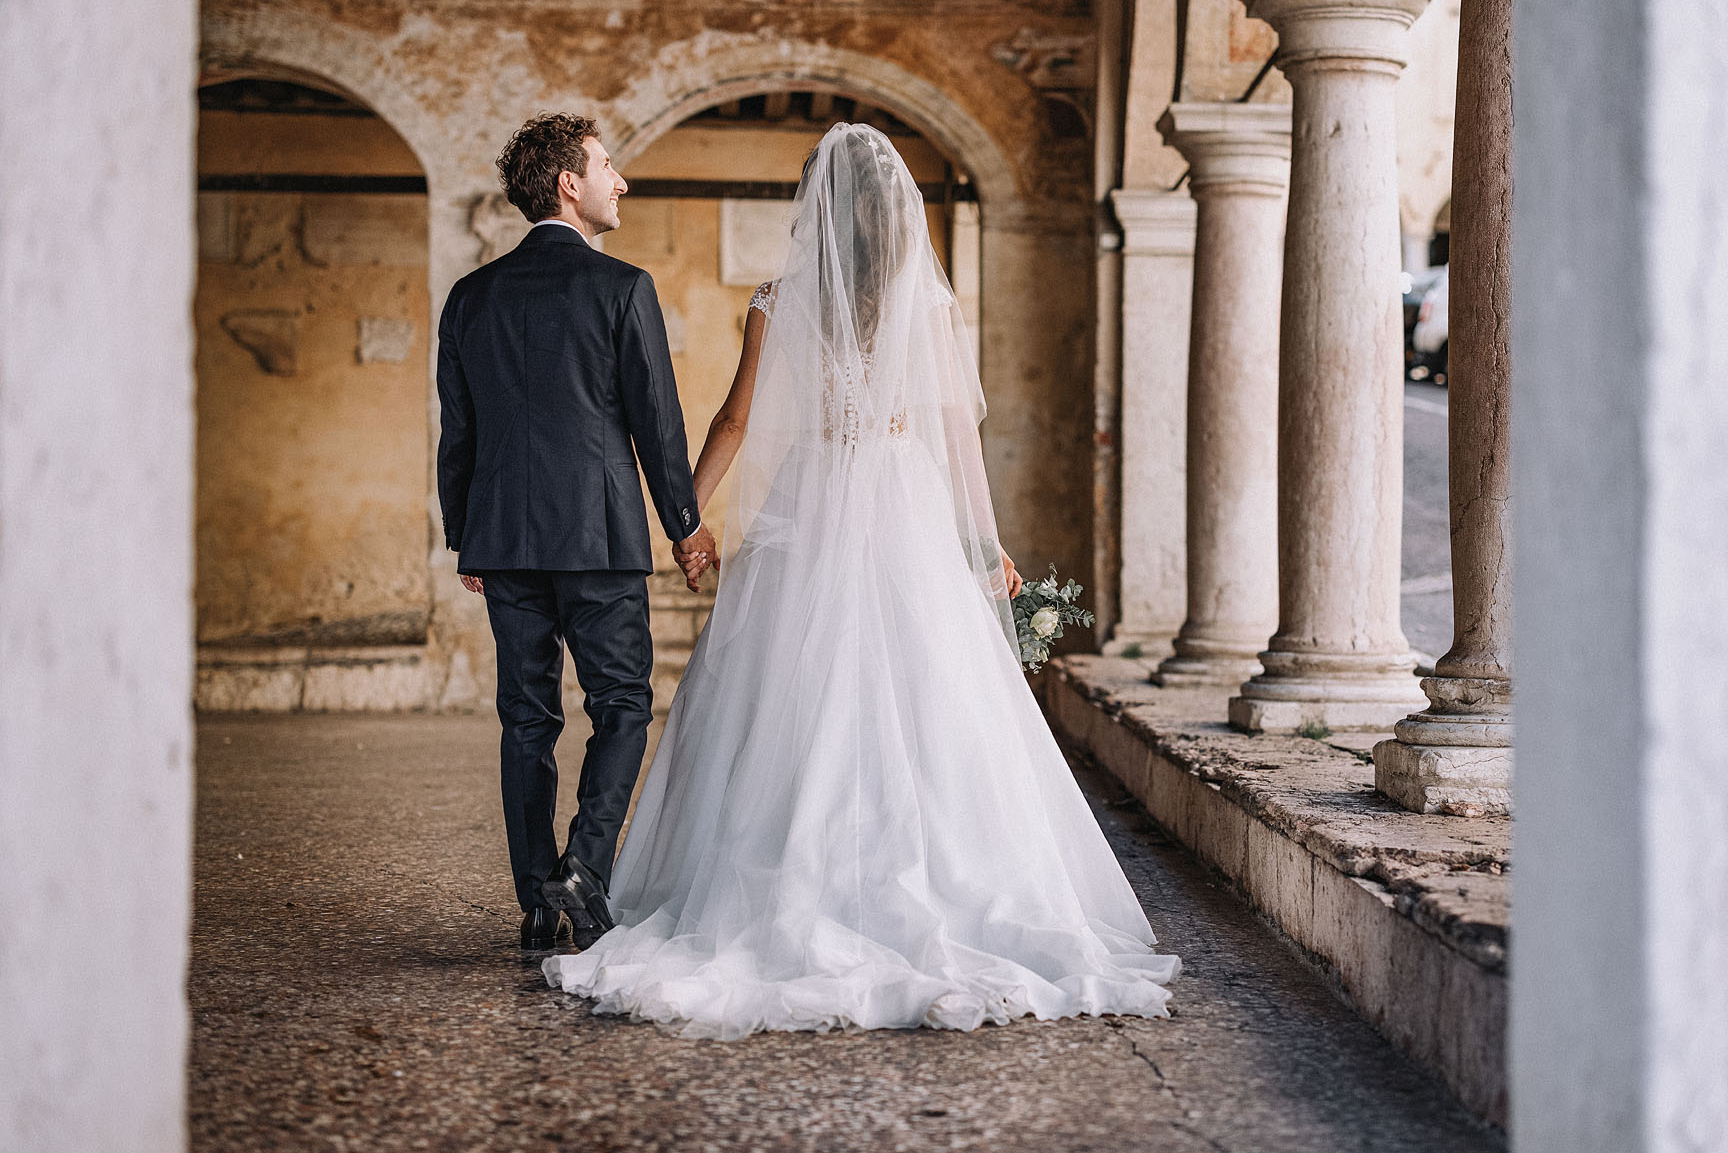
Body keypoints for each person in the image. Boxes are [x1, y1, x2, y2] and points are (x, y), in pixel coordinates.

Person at [545, 123, 1180, 1036]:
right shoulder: (928, 305)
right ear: (896, 215)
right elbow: (954, 439)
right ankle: (928, 879)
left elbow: (732, 421)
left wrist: (683, 521)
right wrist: (980, 541)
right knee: (927, 692)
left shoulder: (778, 298)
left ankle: (782, 879)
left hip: (811, 496)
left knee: (791, 695)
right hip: (903, 499)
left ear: (817, 212)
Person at [437, 113, 718, 955]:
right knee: (623, 703)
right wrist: (685, 526)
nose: (619, 181)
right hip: (598, 539)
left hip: (503, 541)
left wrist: (467, 539)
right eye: (607, 166)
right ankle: (583, 871)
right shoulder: (622, 288)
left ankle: (534, 898)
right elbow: (656, 425)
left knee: (525, 718)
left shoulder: (470, 296)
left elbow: (460, 432)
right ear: (569, 183)